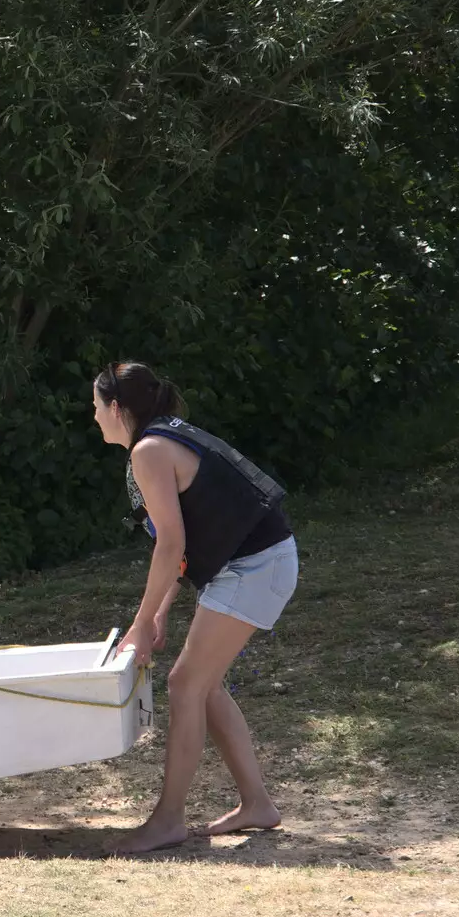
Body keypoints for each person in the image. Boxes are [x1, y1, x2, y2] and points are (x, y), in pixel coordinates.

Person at [92, 361, 298, 855]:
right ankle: (257, 804)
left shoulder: (149, 451)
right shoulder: (158, 442)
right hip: (254, 562)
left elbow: (171, 545)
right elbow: (175, 544)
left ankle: (168, 820)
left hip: (257, 565)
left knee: (185, 684)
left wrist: (142, 624)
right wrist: (158, 613)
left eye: (97, 406)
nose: (93, 416)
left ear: (117, 408)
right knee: (202, 686)